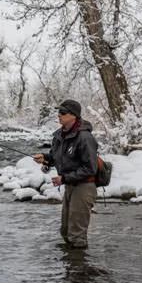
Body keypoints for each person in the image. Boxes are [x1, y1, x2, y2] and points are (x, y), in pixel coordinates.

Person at [33, 99, 99, 249]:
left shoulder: (85, 138)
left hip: (84, 187)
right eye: (59, 112)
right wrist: (45, 158)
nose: (59, 115)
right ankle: (71, 268)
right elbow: (55, 157)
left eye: (63, 113)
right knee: (65, 231)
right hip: (70, 186)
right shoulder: (59, 136)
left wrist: (64, 178)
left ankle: (79, 268)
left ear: (73, 115)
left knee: (76, 235)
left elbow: (90, 168)